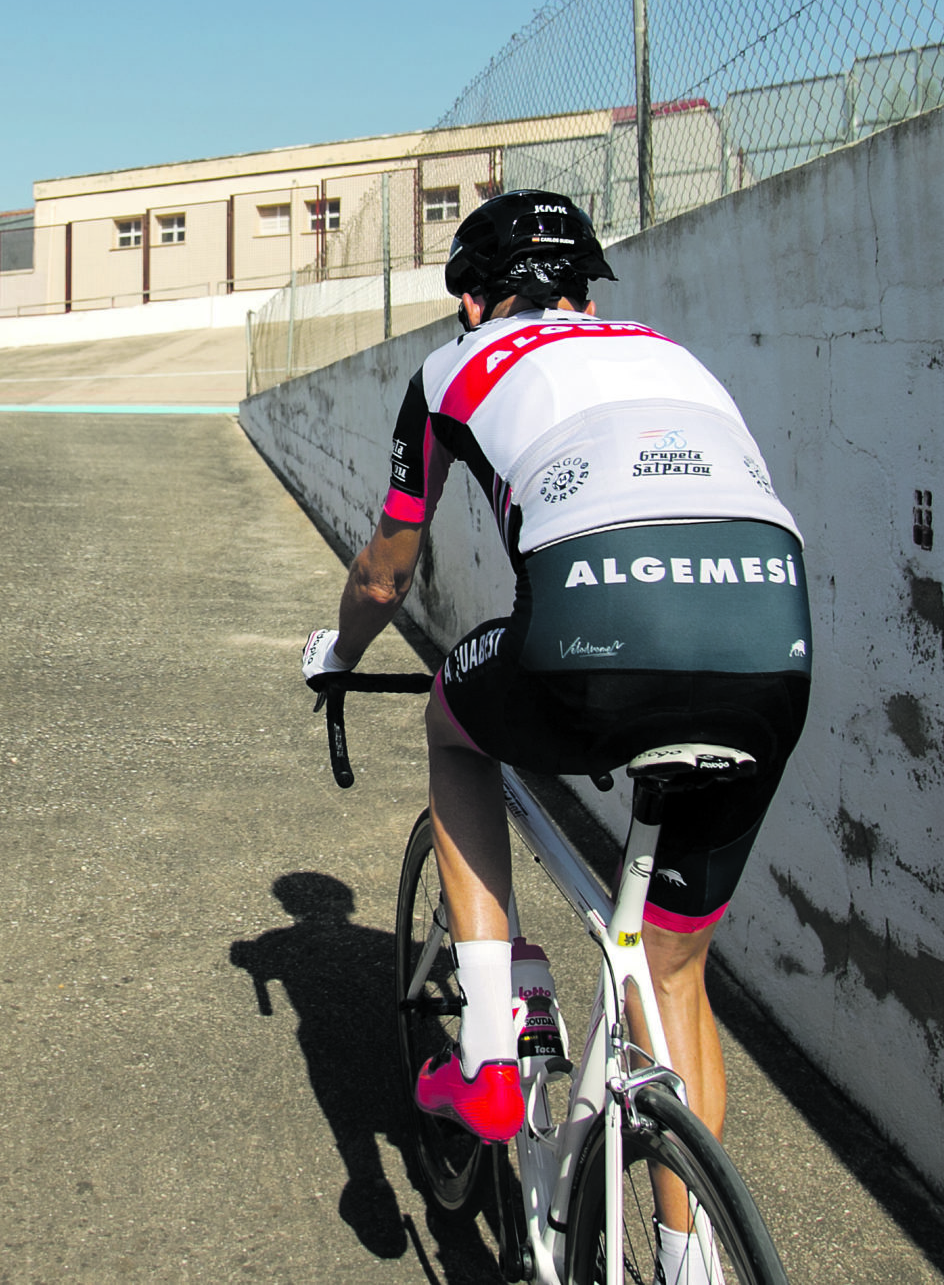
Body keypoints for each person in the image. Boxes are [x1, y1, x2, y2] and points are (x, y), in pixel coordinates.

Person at [301, 190, 810, 1271]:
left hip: (594, 631)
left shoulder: (458, 366)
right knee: (671, 974)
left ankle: (488, 1041)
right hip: (772, 641)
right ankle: (689, 1261)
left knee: (453, 726)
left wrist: (338, 657)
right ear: (585, 289)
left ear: (472, 297)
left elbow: (388, 569)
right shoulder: (668, 354)